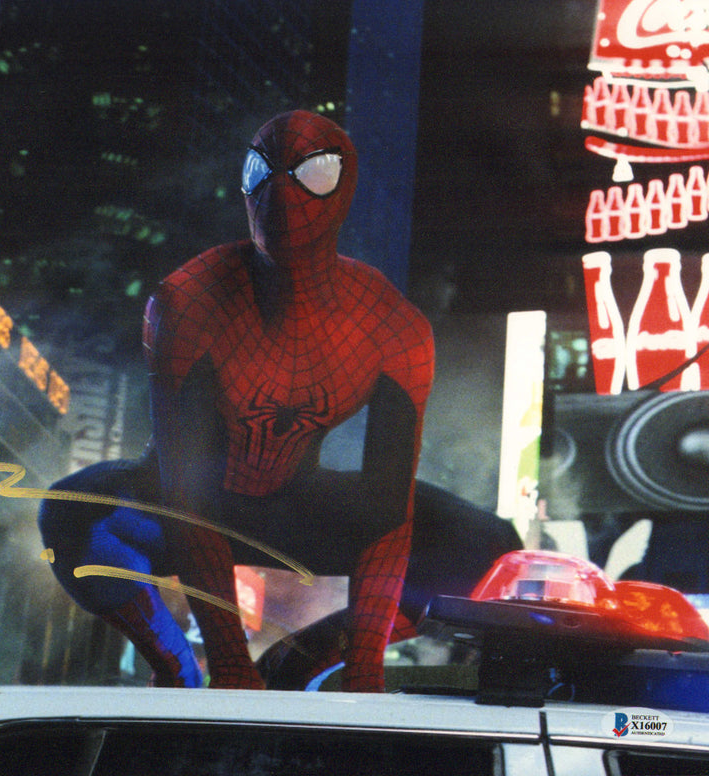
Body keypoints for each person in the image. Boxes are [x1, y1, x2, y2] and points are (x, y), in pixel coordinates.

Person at [41, 110, 434, 691]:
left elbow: (388, 513)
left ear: (343, 188)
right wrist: (225, 662)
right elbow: (185, 493)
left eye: (314, 174)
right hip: (186, 499)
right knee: (71, 512)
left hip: (295, 501)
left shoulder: (391, 327)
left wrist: (364, 668)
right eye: (261, 171)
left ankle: (305, 659)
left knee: (481, 545)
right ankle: (176, 666)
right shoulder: (188, 302)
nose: (281, 194)